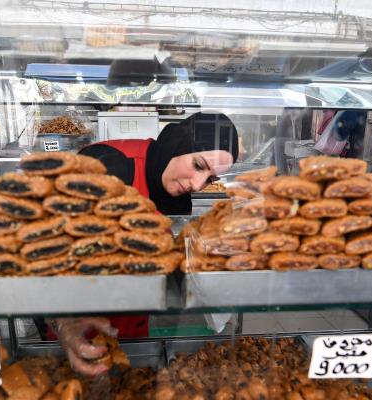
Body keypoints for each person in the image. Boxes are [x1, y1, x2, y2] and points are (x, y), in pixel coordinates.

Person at [47, 112, 239, 376]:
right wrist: (64, 325)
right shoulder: (108, 165)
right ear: (176, 144)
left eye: (210, 179)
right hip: (77, 332)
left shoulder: (177, 197)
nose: (197, 184)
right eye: (197, 164)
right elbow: (45, 253)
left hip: (133, 331)